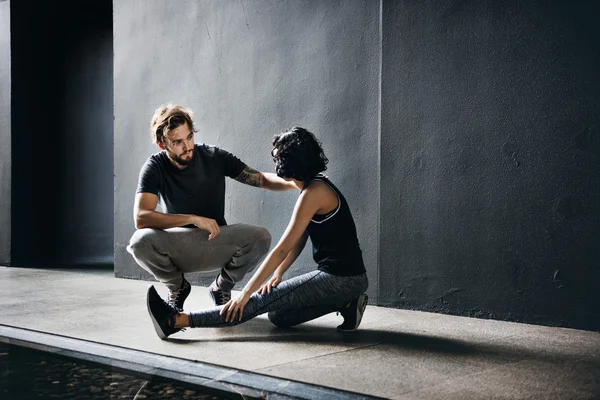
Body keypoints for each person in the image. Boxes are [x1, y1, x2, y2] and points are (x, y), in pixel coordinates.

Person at [146, 127, 369, 340]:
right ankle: (347, 303)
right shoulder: (315, 187)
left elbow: (281, 249)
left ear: (288, 163)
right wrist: (279, 274)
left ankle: (175, 321)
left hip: (340, 277)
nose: (275, 160)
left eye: (277, 157)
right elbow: (301, 237)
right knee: (278, 315)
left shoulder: (312, 194)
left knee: (255, 302)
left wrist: (245, 294)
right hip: (347, 279)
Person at [127, 104, 297, 311]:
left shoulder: (214, 156)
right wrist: (192, 218)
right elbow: (142, 217)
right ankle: (177, 287)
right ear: (162, 144)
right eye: (178, 142)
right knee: (139, 242)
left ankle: (221, 287)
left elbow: (260, 178)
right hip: (179, 246)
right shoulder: (154, 167)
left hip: (215, 242)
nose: (187, 146)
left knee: (261, 236)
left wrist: (294, 182)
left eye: (189, 137)